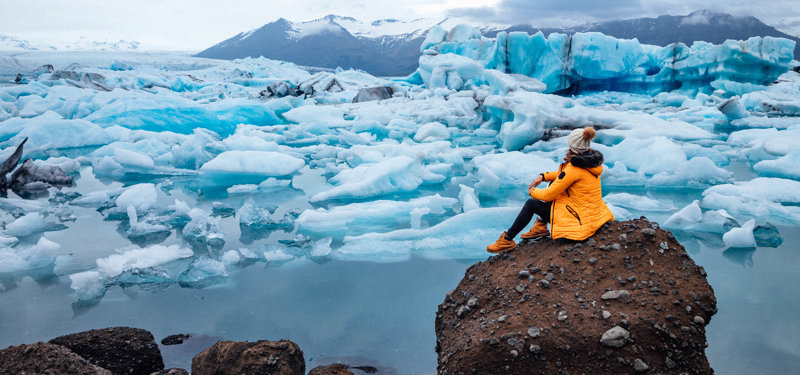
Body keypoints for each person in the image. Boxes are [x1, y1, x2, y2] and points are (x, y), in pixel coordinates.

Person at [487, 127, 614, 253]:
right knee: (554, 182)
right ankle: (541, 226)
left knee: (531, 204)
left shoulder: (574, 169)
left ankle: (506, 240)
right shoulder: (590, 163)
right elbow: (564, 176)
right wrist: (544, 176)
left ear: (572, 145)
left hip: (578, 221)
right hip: (590, 214)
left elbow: (548, 195)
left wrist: (532, 191)